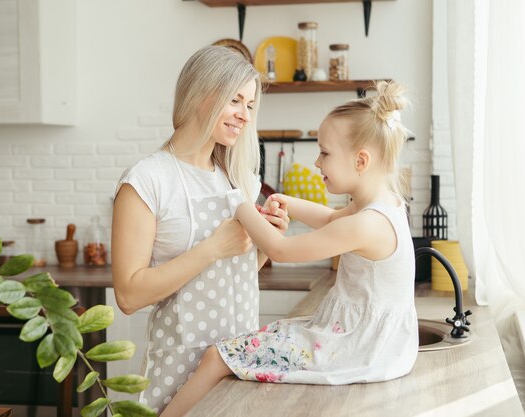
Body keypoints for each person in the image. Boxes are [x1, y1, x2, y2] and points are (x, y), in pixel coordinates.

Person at [160, 81, 418, 417]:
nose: (317, 163)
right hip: (371, 343)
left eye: (325, 153)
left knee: (217, 356)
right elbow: (329, 219)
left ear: (361, 161)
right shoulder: (383, 206)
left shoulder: (366, 224)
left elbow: (280, 250)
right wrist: (286, 202)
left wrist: (241, 207)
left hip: (357, 348)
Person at [111, 45, 289, 413]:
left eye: (250, 105)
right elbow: (128, 295)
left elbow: (229, 276)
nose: (244, 115)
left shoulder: (233, 177)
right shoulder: (148, 180)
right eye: (235, 100)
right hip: (179, 370)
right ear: (201, 94)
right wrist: (213, 247)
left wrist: (265, 244)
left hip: (236, 364)